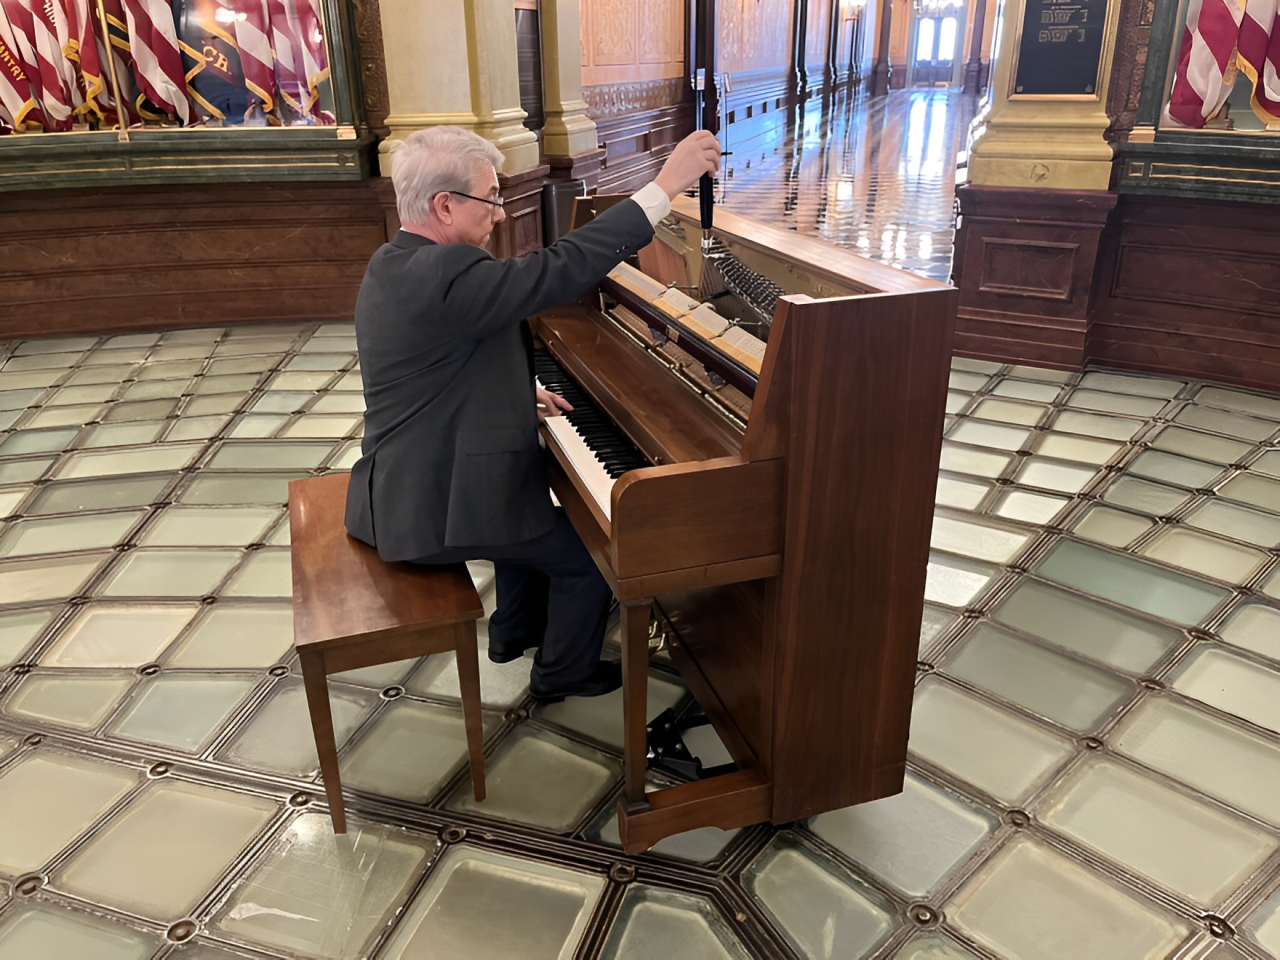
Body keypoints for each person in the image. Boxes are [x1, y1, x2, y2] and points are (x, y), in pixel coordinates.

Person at [345, 125, 721, 701]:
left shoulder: (394, 261)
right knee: (592, 557)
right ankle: (562, 673)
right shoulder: (447, 274)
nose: (500, 213)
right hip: (423, 510)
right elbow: (561, 267)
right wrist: (663, 187)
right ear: (445, 205)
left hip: (405, 480)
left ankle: (514, 632)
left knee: (529, 501)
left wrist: (519, 396)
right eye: (491, 197)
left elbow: (438, 369)